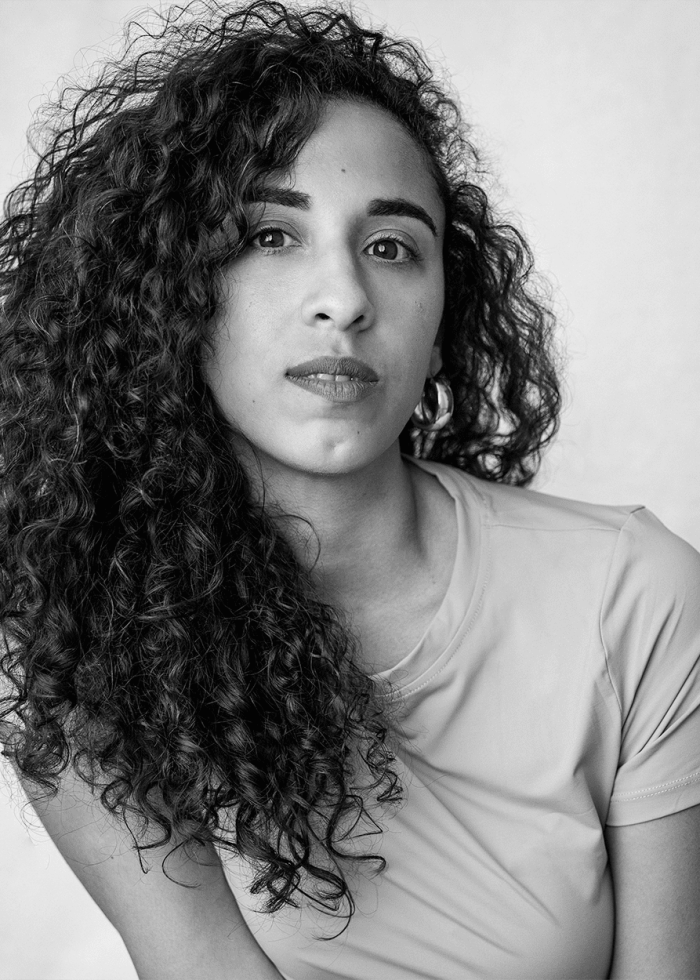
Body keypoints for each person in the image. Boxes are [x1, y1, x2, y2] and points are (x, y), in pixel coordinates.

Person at [1, 1, 699, 977]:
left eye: (390, 247)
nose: (344, 299)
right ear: (167, 294)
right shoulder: (75, 636)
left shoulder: (635, 595)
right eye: (268, 235)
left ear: (444, 312)